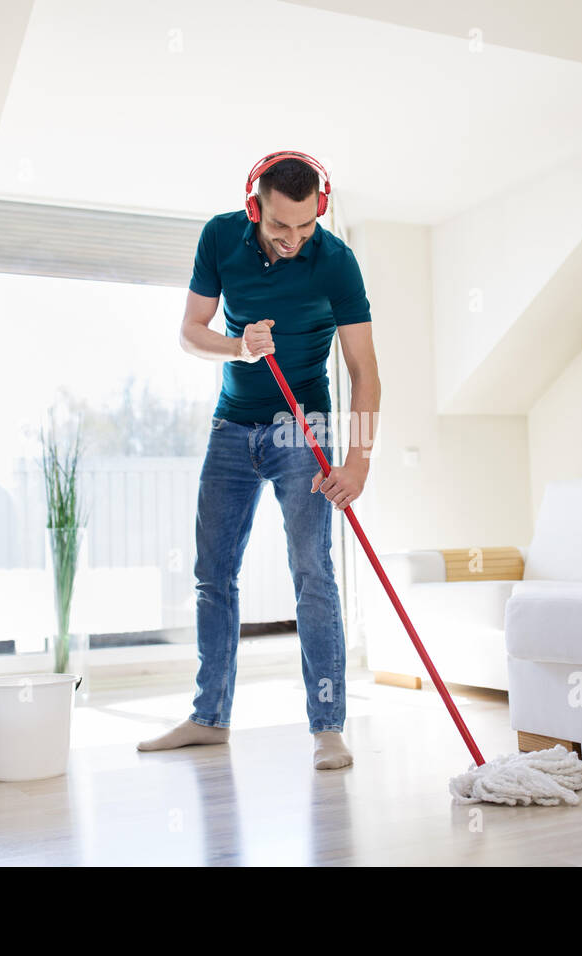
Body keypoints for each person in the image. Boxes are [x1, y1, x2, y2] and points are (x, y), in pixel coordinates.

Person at [137, 151, 380, 770]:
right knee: (212, 574)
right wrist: (239, 346)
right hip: (231, 427)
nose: (295, 240)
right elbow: (191, 330)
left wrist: (358, 462)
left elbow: (363, 372)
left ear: (318, 208)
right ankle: (208, 718)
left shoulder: (337, 262)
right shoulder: (220, 237)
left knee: (313, 573)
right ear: (255, 208)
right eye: (280, 228)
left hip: (304, 427)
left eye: (306, 226)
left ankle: (328, 728)